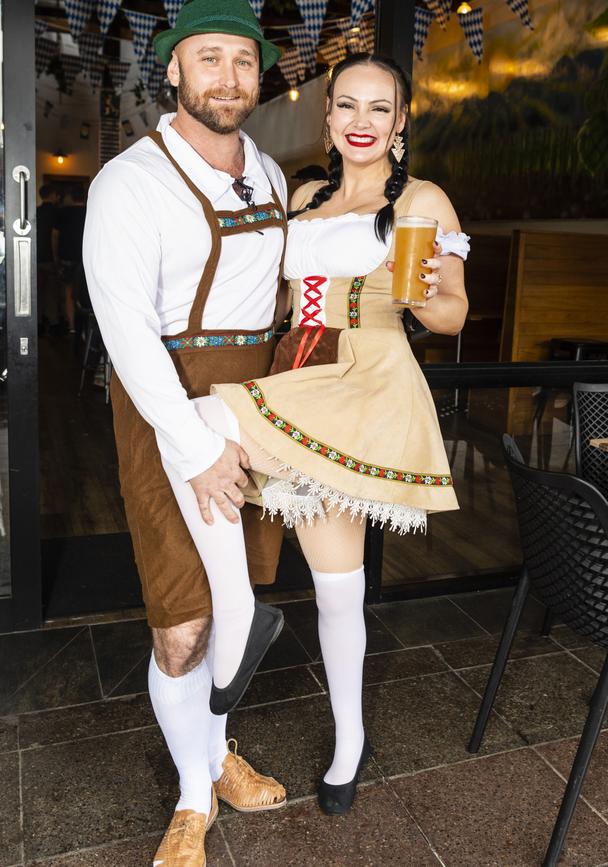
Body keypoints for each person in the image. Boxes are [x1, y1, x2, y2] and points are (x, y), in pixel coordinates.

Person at [160, 51, 469, 822]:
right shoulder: (303, 192)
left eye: (379, 109)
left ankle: (348, 739)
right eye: (347, 107)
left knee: (337, 587)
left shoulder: (424, 198)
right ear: (328, 117)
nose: (361, 122)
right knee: (202, 431)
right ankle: (242, 617)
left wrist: (428, 297)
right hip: (297, 375)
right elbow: (281, 290)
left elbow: (452, 313)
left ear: (401, 123)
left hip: (365, 377)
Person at [83, 2, 290, 865]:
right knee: (183, 624)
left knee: (237, 605)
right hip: (165, 404)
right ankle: (191, 794)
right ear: (173, 70)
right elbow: (126, 330)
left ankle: (219, 749)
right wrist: (195, 443)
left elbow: (277, 295)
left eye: (243, 63)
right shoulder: (129, 180)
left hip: (257, 406)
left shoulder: (272, 173)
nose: (229, 79)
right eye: (210, 60)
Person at [53, 184, 87, 333]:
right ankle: (86, 329)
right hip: (87, 258)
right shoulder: (91, 211)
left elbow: (54, 236)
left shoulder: (62, 213)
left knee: (68, 292)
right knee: (88, 293)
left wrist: (55, 256)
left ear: (70, 197)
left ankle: (72, 326)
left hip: (67, 257)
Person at [36, 184, 60, 334]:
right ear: (52, 194)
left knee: (37, 292)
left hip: (37, 256)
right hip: (51, 257)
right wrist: (56, 259)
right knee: (52, 292)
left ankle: (37, 324)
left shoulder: (35, 212)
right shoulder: (57, 213)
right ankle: (54, 323)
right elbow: (56, 237)